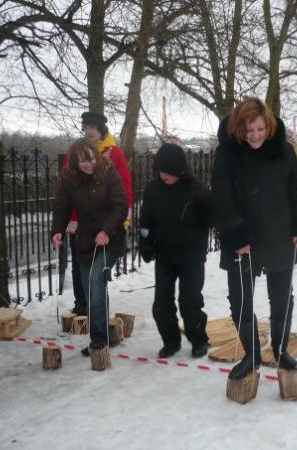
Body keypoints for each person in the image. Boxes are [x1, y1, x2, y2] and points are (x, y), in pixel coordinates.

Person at [211, 98, 297, 380]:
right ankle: (252, 355)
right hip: (241, 240)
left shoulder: (283, 150)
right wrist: (237, 234)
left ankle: (281, 351)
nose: (255, 135)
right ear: (239, 128)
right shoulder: (226, 154)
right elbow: (222, 197)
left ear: (268, 125)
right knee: (240, 300)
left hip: (279, 235)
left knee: (281, 298)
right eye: (249, 130)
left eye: (260, 129)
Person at [51, 138, 128, 356]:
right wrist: (57, 230)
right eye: (83, 161)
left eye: (92, 158)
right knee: (91, 290)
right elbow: (62, 207)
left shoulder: (108, 172)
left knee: (95, 279)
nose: (89, 164)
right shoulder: (69, 178)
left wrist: (106, 230)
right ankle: (102, 333)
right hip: (85, 241)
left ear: (97, 155)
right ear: (75, 162)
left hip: (110, 240)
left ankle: (99, 341)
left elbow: (120, 205)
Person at [139, 143, 213, 359]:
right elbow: (146, 220)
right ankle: (171, 341)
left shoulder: (197, 190)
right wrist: (145, 243)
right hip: (165, 256)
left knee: (190, 303)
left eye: (170, 172)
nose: (165, 176)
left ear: (180, 170)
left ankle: (198, 340)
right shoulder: (153, 190)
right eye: (161, 171)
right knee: (161, 304)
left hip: (192, 256)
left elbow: (212, 219)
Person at [65, 112, 133, 316]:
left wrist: (123, 217)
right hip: (80, 220)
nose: (88, 131)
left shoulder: (114, 153)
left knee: (97, 272)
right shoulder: (74, 152)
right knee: (79, 265)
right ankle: (82, 303)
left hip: (105, 222)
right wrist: (70, 218)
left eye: (92, 128)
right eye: (85, 128)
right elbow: (68, 189)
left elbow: (125, 187)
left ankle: (97, 316)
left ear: (101, 130)